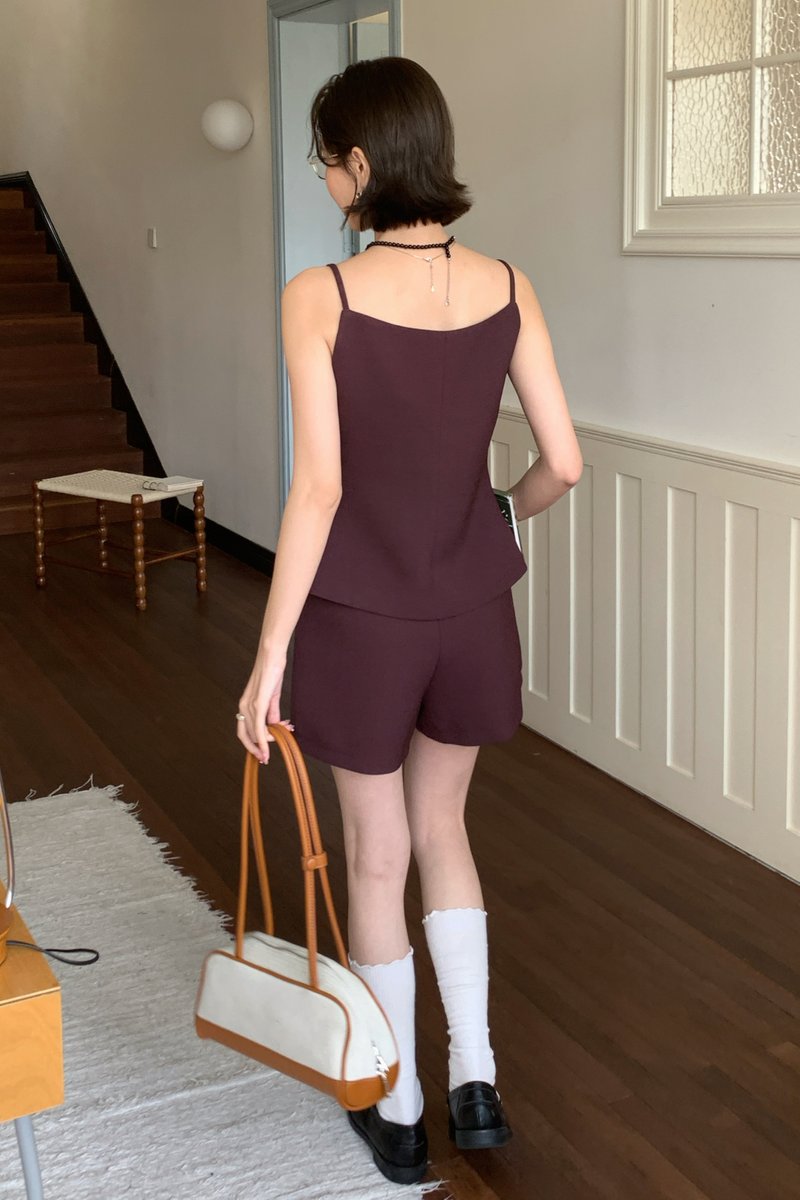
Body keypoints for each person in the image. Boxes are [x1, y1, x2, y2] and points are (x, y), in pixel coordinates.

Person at [235, 56, 582, 1187]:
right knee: (445, 835)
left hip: (362, 619)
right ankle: (475, 1081)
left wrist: (269, 653)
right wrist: (497, 512)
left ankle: (397, 1107)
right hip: (472, 611)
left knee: (375, 858)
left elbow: (320, 489)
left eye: (323, 160)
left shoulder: (319, 295)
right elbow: (564, 465)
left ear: (360, 162)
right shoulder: (509, 284)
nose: (323, 178)